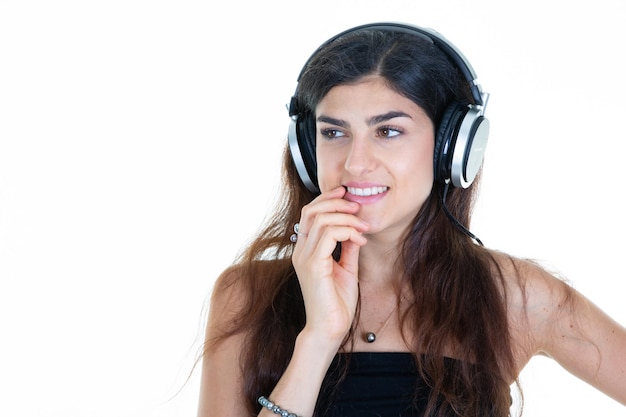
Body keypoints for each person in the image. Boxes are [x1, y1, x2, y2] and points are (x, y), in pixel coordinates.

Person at [197, 22, 626, 417]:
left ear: (451, 148)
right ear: (307, 151)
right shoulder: (245, 298)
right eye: (333, 132)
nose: (355, 163)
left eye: (388, 131)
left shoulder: (516, 297)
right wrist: (319, 337)